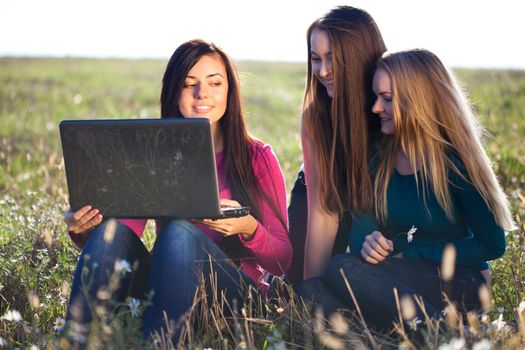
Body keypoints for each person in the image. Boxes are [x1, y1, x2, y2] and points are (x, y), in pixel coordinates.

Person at [63, 39, 292, 341]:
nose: (203, 94)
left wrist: (248, 227)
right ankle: (75, 341)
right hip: (169, 288)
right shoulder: (155, 154)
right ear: (175, 91)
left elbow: (283, 260)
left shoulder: (258, 158)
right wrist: (85, 227)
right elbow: (121, 237)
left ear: (229, 91)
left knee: (179, 233)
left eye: (215, 83)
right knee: (115, 230)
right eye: (189, 84)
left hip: (234, 299)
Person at [299, 48, 514, 330]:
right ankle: (415, 331)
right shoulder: (377, 157)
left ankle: (440, 331)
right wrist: (370, 244)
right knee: (310, 290)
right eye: (376, 97)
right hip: (396, 276)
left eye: (387, 99)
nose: (375, 108)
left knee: (343, 269)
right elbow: (362, 233)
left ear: (419, 103)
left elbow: (492, 244)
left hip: (461, 281)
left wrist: (413, 254)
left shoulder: (456, 164)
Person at [292, 5, 386, 283]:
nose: (322, 71)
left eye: (332, 58)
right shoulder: (315, 115)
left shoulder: (390, 105)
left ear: (359, 55)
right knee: (299, 284)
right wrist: (311, 290)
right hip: (316, 201)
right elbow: (323, 211)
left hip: (372, 208)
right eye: (315, 59)